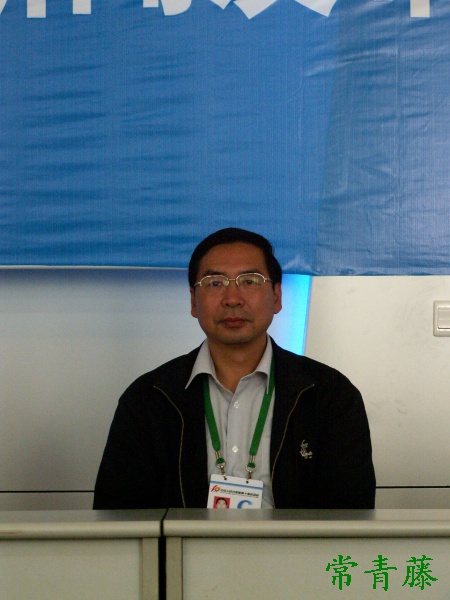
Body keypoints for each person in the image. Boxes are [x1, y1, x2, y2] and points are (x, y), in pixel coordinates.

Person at [93, 228, 376, 510]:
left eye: (249, 281)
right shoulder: (149, 398)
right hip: (185, 543)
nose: (232, 298)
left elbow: (350, 516)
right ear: (193, 301)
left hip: (291, 543)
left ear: (277, 297)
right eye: (215, 283)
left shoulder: (329, 395)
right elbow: (117, 517)